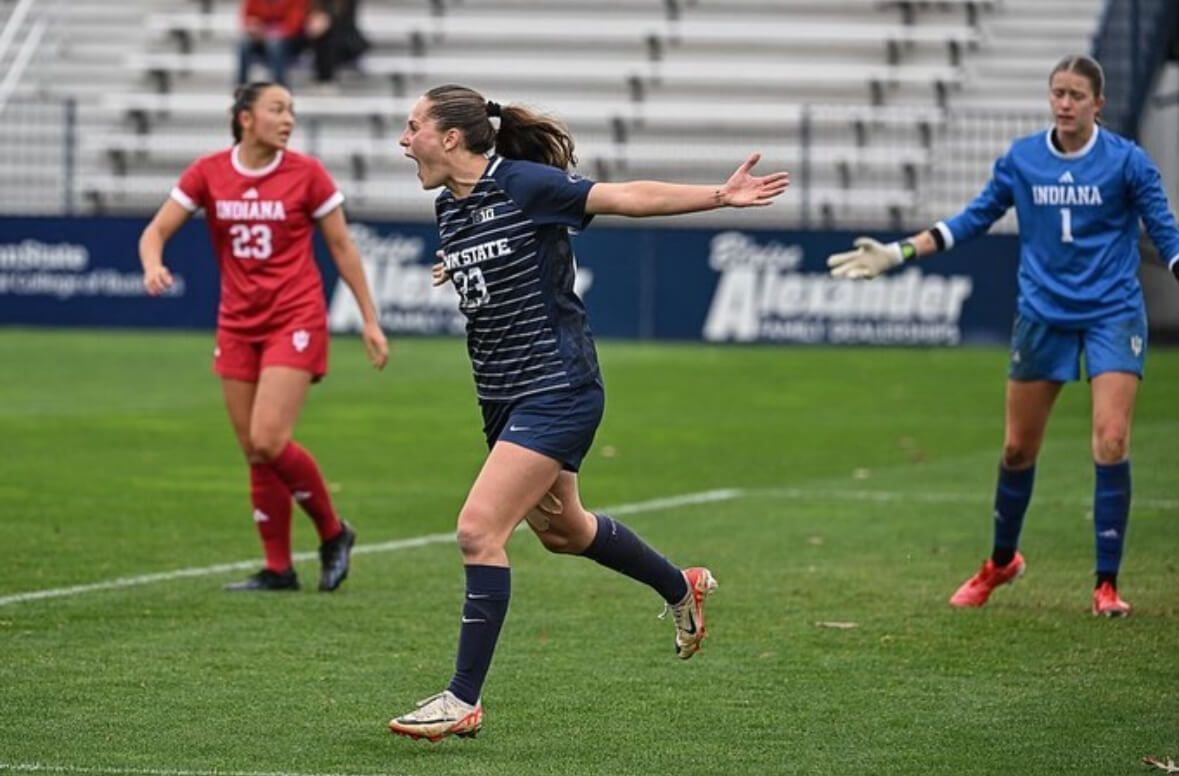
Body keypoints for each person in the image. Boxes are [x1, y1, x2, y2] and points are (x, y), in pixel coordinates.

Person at [387, 83, 789, 742]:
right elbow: (491, 262)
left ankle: (462, 700)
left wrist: (717, 196)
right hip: (501, 396)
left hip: (557, 388)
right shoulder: (450, 210)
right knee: (563, 531)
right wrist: (456, 265)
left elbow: (623, 197)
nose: (403, 143)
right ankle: (679, 585)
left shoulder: (523, 183)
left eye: (411, 129)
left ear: (451, 136)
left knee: (477, 530)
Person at [826, 54, 1179, 618]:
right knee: (1018, 449)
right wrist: (898, 252)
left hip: (1111, 312)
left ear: (1098, 104)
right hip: (1042, 315)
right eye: (1057, 92)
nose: (1064, 103)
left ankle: (1105, 585)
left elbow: (1165, 231)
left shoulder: (1127, 162)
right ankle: (1001, 562)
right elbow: (971, 219)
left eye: (1076, 95)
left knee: (1111, 440)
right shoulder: (1023, 159)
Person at [138, 81, 389, 592]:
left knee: (268, 437)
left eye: (291, 110)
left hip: (294, 318)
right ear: (245, 117)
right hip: (236, 323)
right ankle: (278, 568)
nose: (288, 118)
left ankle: (333, 532)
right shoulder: (209, 171)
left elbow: (342, 247)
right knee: (254, 450)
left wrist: (368, 317)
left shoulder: (307, 174)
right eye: (277, 108)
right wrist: (152, 263)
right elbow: (156, 230)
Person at [237, 0, 308, 87]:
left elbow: (294, 24)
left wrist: (270, 33)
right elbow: (248, 17)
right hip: (261, 38)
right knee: (244, 43)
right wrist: (253, 27)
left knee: (274, 44)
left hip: (288, 41)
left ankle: (280, 83)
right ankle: (242, 84)